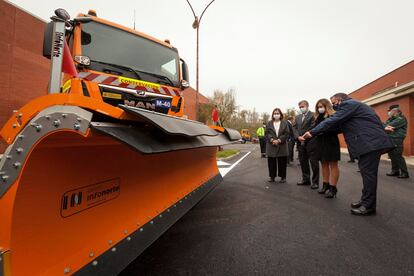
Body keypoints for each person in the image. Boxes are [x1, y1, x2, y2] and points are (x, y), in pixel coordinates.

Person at [302, 93, 394, 216]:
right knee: (367, 174)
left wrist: (312, 132)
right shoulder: (357, 106)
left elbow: (333, 120)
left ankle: (369, 205)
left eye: (334, 103)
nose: (334, 106)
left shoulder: (348, 104)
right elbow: (372, 119)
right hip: (369, 144)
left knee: (369, 175)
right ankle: (365, 200)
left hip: (369, 145)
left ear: (340, 100)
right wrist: (384, 126)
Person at [300, 99, 340, 198]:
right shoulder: (318, 117)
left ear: (327, 106)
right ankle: (325, 185)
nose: (319, 109)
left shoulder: (334, 116)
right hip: (320, 143)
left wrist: (320, 131)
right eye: (318, 107)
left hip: (331, 142)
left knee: (333, 165)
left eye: (321, 106)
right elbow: (313, 128)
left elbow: (337, 129)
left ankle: (333, 188)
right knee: (323, 164)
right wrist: (305, 135)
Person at [294, 100, 320, 189]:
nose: (301, 108)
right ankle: (306, 179)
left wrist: (304, 136)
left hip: (311, 142)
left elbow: (313, 127)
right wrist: (298, 137)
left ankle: (315, 182)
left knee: (314, 162)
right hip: (300, 143)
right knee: (303, 162)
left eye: (302, 106)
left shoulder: (313, 115)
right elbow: (294, 128)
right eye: (300, 107)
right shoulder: (297, 117)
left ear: (307, 106)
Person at [384, 105, 409, 178]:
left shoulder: (401, 118)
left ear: (394, 111)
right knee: (392, 156)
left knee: (398, 156)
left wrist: (385, 126)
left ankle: (404, 173)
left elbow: (389, 126)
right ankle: (395, 171)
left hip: (397, 139)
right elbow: (385, 126)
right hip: (390, 139)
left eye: (390, 111)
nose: (389, 112)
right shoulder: (390, 119)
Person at [266, 108, 289, 183]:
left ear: (280, 114)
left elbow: (287, 133)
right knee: (271, 162)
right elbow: (267, 133)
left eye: (277, 113)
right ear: (273, 115)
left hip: (282, 145)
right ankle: (272, 177)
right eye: (275, 113)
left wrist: (279, 140)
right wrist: (272, 139)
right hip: (271, 144)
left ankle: (283, 177)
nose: (276, 115)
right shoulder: (269, 123)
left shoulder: (284, 123)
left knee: (282, 162)